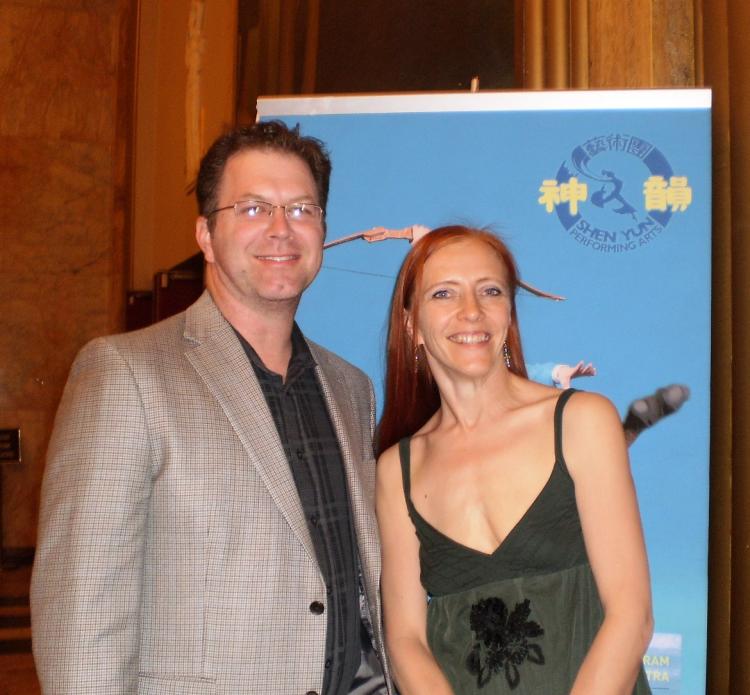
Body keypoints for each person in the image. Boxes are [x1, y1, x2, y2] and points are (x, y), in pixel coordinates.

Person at [31, 121, 391, 695]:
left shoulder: (350, 388)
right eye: (252, 208)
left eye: (302, 209)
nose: (281, 229)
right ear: (205, 233)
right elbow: (82, 608)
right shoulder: (125, 373)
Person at [375, 226, 652, 694]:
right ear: (411, 325)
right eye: (444, 293)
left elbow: (632, 615)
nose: (471, 311)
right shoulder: (396, 470)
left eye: (490, 291)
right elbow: (405, 641)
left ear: (508, 311)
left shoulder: (583, 421)